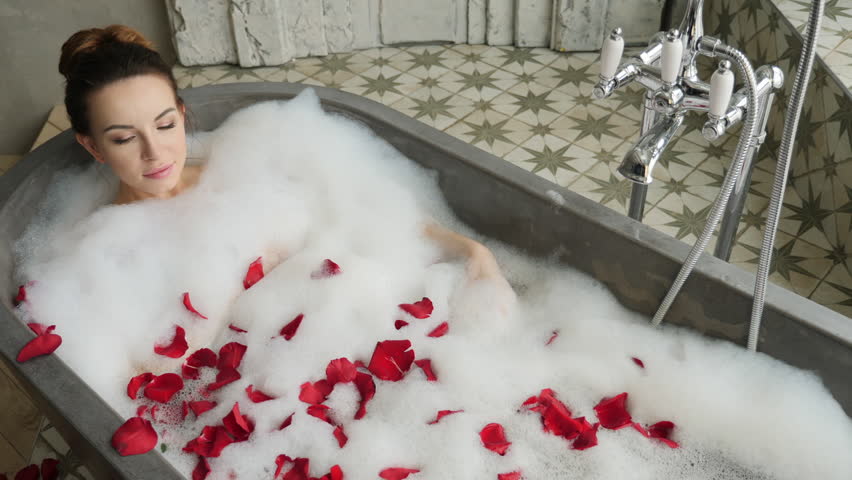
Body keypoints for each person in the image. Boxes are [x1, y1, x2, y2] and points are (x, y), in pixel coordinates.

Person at [59, 24, 512, 287]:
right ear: (92, 146)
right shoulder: (106, 255)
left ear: (181, 113)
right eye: (123, 138)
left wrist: (472, 250)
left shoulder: (242, 166)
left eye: (164, 125)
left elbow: (363, 213)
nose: (155, 152)